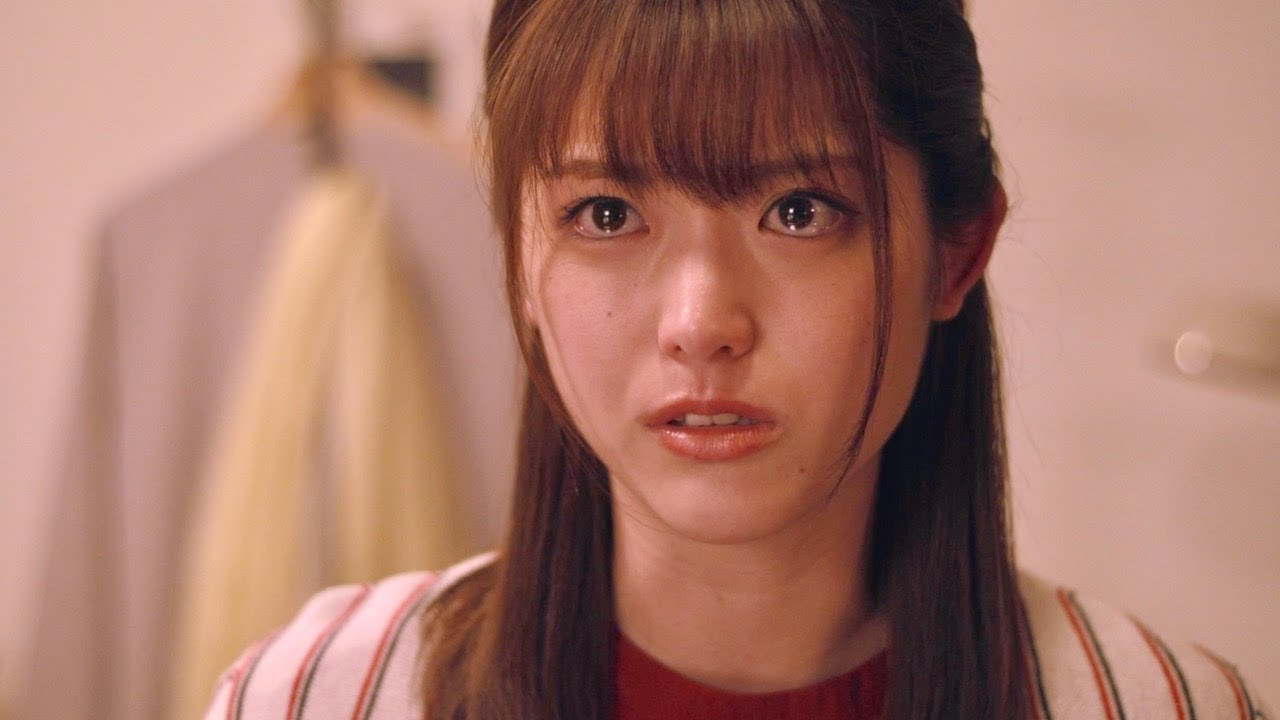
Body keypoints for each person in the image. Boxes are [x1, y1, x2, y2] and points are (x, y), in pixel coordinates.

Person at [202, 0, 1272, 718]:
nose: (700, 321)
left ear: (958, 250)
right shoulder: (316, 696)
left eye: (798, 211)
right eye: (606, 212)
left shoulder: (1159, 704)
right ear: (517, 254)